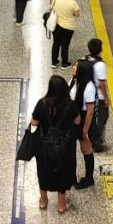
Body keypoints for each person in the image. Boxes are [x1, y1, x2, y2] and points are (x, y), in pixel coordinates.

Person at [30, 75, 78, 214]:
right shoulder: (70, 106)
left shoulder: (42, 104)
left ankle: (43, 201)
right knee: (63, 171)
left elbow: (34, 122)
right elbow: (77, 121)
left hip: (45, 145)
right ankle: (61, 205)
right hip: (65, 147)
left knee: (44, 171)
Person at [69, 59, 97, 190]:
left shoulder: (89, 87)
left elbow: (90, 112)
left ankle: (89, 178)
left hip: (84, 119)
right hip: (74, 117)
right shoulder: (73, 81)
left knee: (85, 148)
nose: (73, 67)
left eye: (76, 66)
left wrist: (85, 131)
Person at [84, 38, 110, 152]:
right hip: (97, 97)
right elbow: (101, 84)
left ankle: (90, 136)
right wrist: (106, 98)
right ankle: (96, 142)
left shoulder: (84, 59)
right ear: (100, 50)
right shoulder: (100, 65)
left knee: (91, 116)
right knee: (102, 118)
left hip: (86, 93)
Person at [50, 0, 80, 69]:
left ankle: (54, 62)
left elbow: (51, 9)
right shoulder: (73, 3)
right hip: (68, 27)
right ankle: (64, 63)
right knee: (65, 45)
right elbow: (77, 14)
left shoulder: (56, 0)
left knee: (56, 43)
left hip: (56, 26)